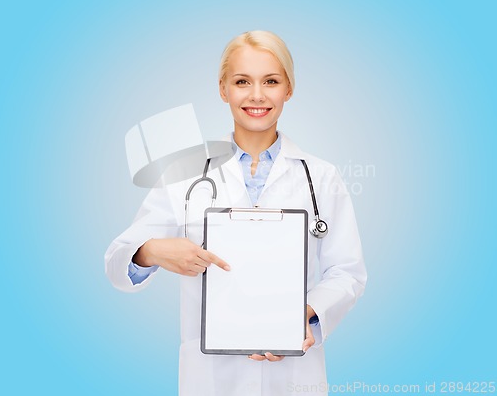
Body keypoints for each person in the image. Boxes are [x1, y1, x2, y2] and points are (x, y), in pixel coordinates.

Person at [105, 30, 367, 395]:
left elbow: (348, 273)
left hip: (292, 378)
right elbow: (118, 261)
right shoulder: (185, 171)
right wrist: (152, 251)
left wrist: (305, 313)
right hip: (210, 380)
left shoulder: (321, 177)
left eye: (271, 81)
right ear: (223, 89)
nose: (257, 95)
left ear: (288, 89)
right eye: (242, 81)